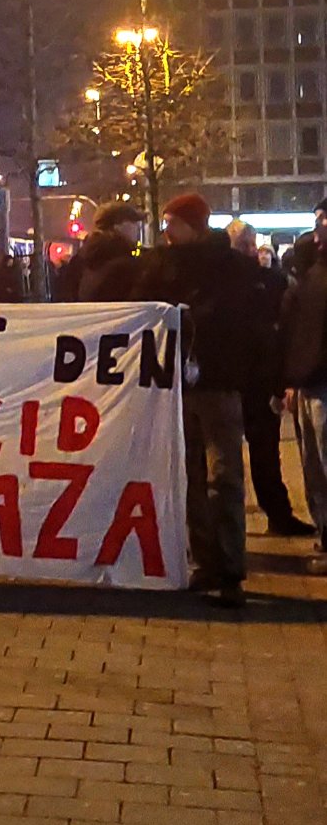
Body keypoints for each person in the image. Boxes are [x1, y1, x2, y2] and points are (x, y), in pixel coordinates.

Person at [133, 193, 265, 607]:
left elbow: (246, 322)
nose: (167, 232)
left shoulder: (231, 268)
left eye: (173, 224)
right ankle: (205, 560)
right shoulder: (160, 264)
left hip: (218, 382)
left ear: (194, 225)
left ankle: (230, 569)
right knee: (190, 474)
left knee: (222, 476)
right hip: (177, 384)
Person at [226, 219, 313, 537]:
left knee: (259, 453)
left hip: (251, 379)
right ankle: (272, 514)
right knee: (255, 453)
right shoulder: (264, 282)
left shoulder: (265, 281)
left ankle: (272, 514)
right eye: (245, 245)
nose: (251, 251)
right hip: (248, 378)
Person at [282, 206, 327, 562]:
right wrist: (291, 381)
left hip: (320, 384)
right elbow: (297, 332)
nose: (318, 232)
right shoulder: (313, 275)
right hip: (308, 384)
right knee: (314, 470)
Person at [56, 201, 145, 302]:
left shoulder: (80, 259)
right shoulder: (125, 264)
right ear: (118, 226)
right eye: (133, 222)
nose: (137, 228)